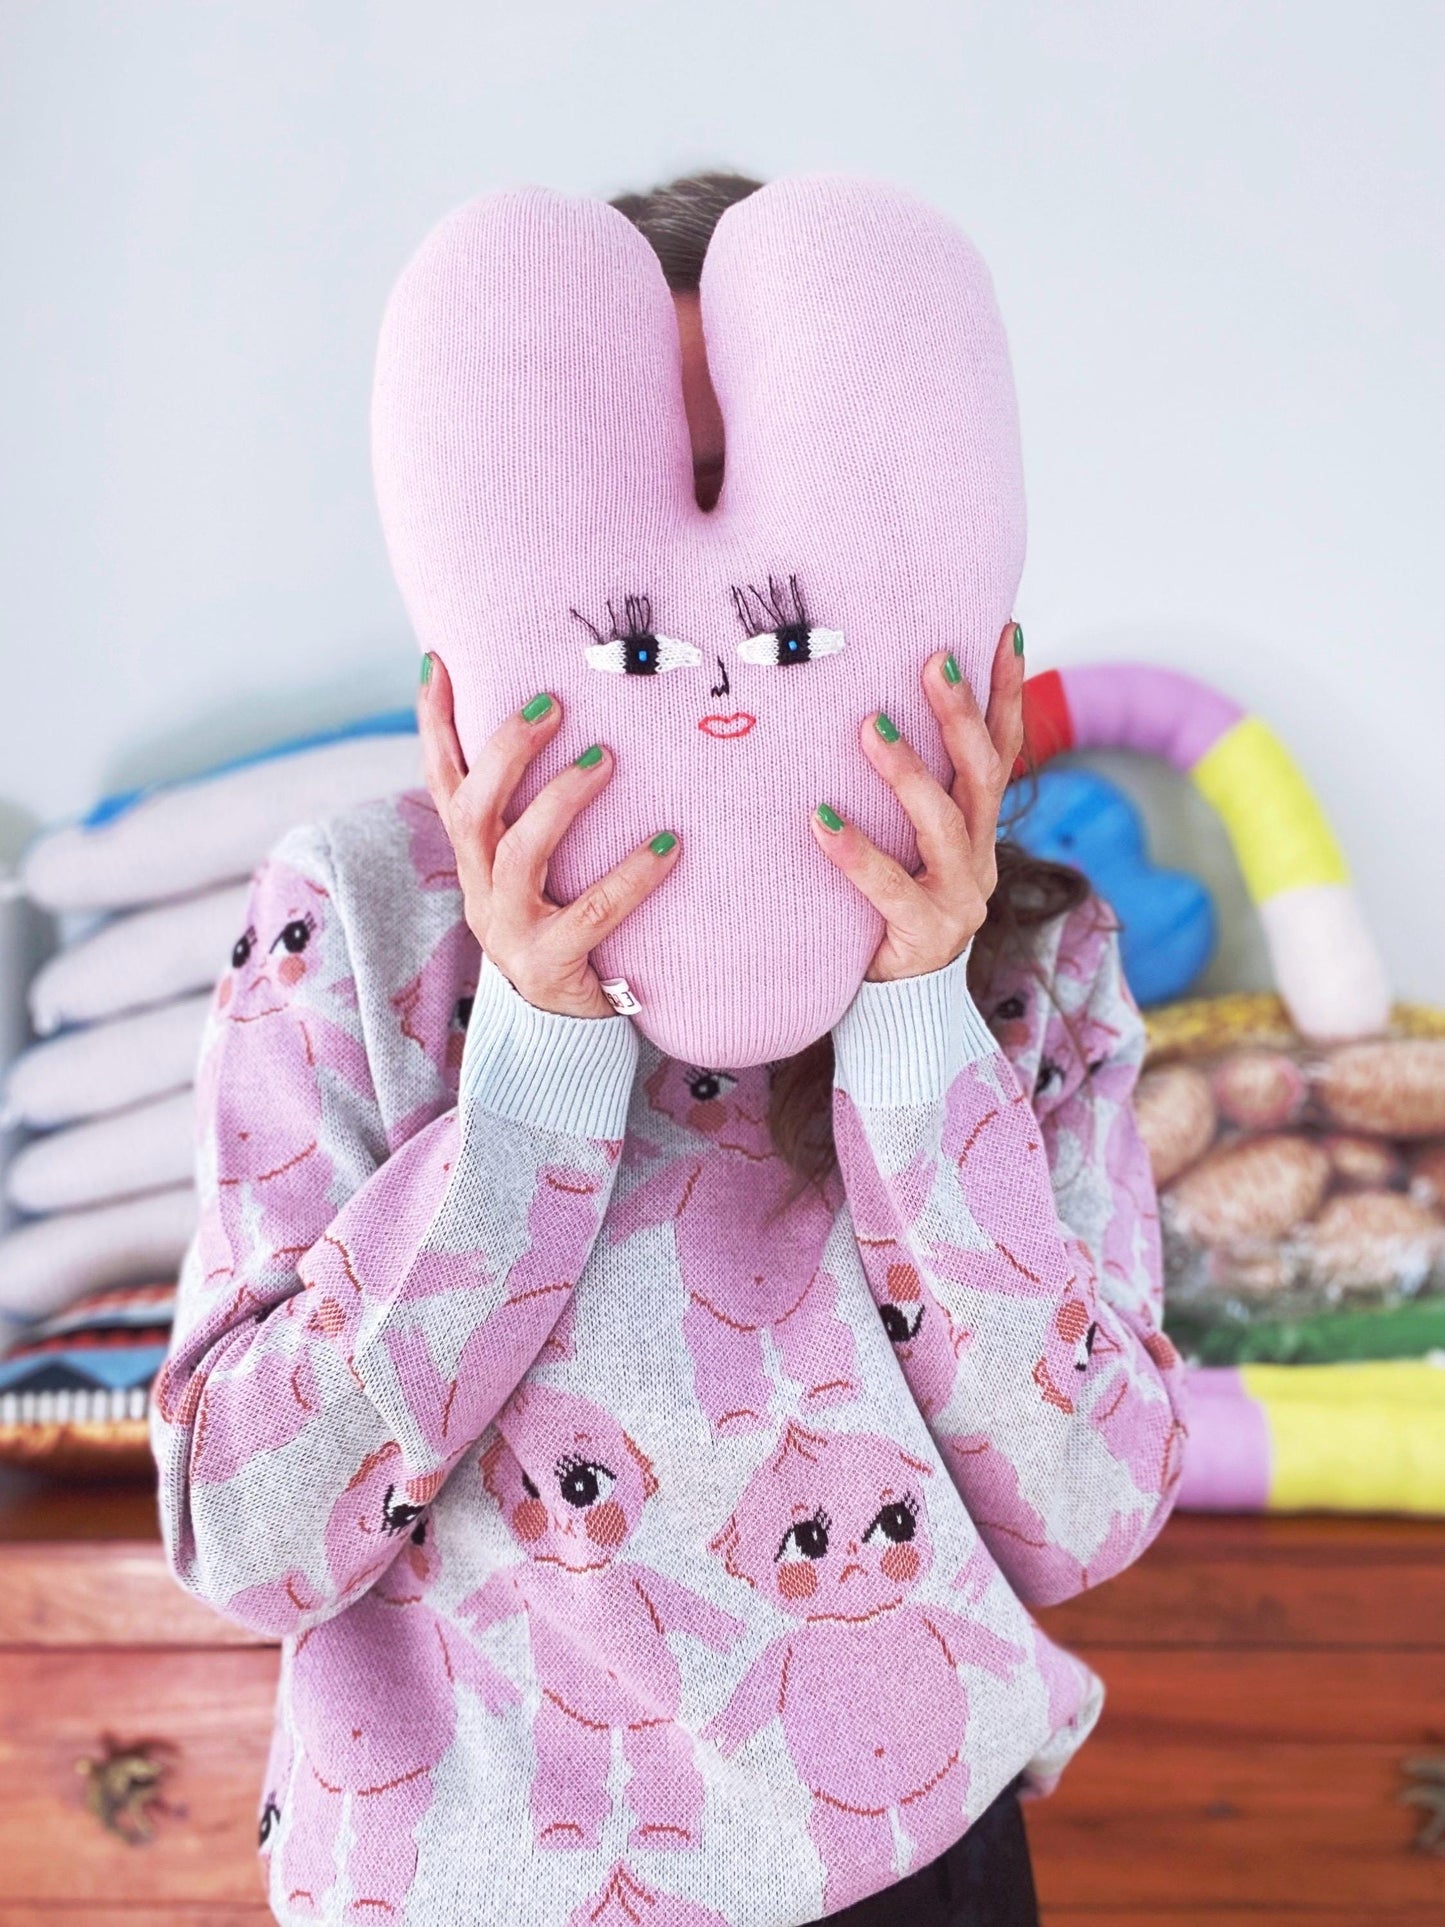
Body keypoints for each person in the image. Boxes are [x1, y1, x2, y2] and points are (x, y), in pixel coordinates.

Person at [150, 170, 1188, 1927]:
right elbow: (246, 1536)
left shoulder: (1036, 960)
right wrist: (532, 1067)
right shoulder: (356, 918)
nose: (709, 631)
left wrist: (911, 1013)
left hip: (907, 1863)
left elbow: (1085, 1510)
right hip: (460, 1878)